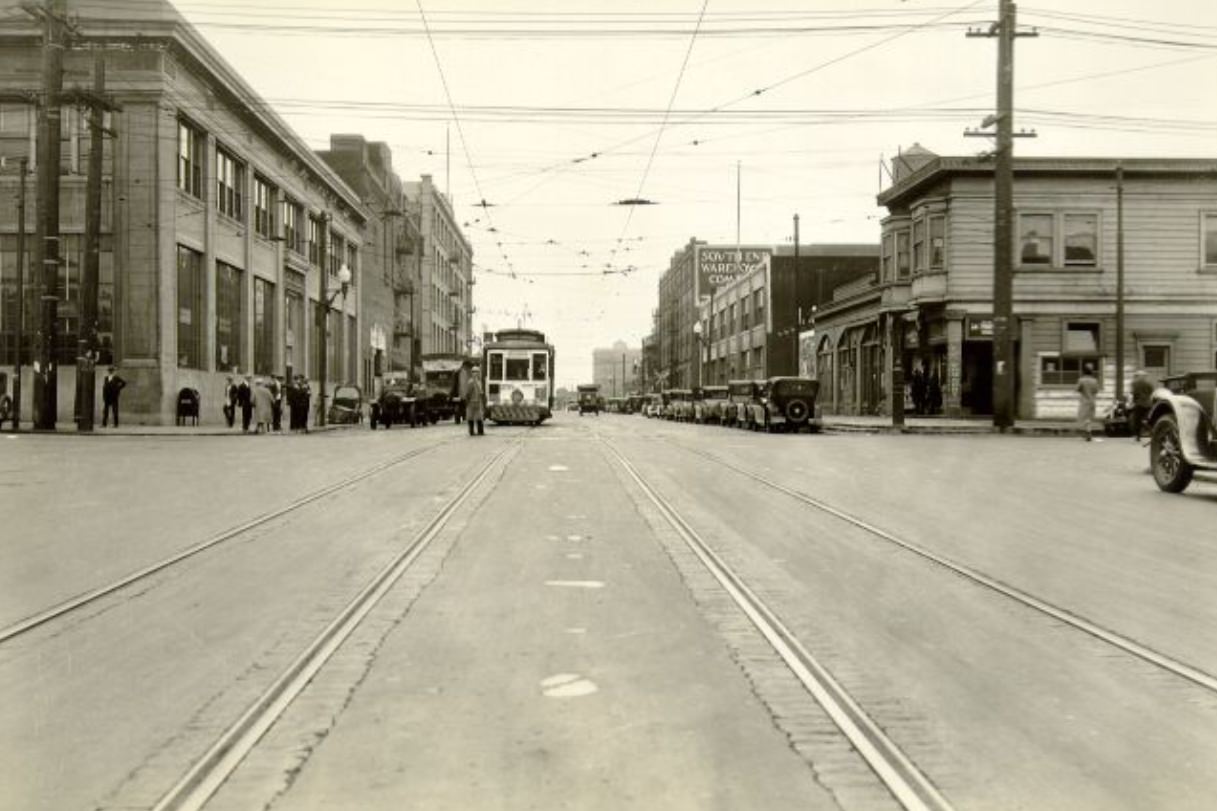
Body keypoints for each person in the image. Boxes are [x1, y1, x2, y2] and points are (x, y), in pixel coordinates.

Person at [1076, 364, 1101, 441]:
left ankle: (1087, 432)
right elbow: (1096, 391)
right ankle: (1088, 432)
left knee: (1084, 417)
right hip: (1092, 400)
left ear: (1084, 371)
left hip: (1084, 400)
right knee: (1090, 417)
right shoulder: (1094, 380)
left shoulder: (1081, 380)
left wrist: (1083, 391)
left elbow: (1077, 389)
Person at [1130, 369, 1154, 441]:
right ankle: (1151, 432)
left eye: (1136, 376)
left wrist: (1134, 401)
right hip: (1148, 402)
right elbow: (1151, 390)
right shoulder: (1149, 383)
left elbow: (1134, 392)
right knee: (1148, 418)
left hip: (1139, 402)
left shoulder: (1135, 383)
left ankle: (1137, 436)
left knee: (1137, 419)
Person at [463, 367, 486, 436]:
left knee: (479, 417)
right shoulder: (471, 382)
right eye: (474, 372)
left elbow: (481, 392)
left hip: (478, 402)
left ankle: (480, 431)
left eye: (477, 372)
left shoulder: (479, 382)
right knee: (471, 417)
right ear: (472, 373)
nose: (476, 373)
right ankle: (471, 431)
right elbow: (468, 393)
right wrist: (467, 402)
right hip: (471, 402)